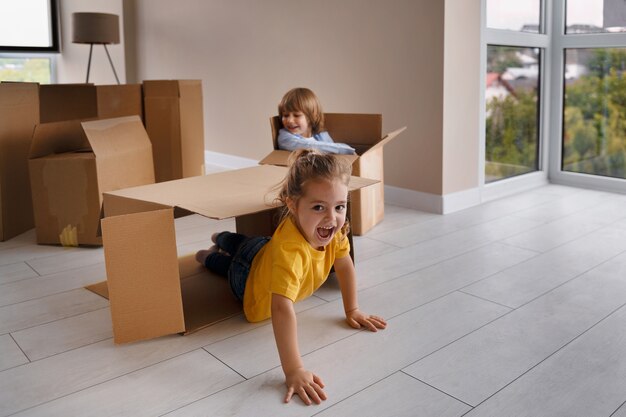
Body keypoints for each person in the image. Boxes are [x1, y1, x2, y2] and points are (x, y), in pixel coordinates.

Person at [196, 149, 386, 406]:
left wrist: (352, 309)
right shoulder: (290, 253)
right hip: (247, 276)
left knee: (248, 244)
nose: (332, 218)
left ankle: (221, 237)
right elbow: (281, 306)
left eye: (340, 206)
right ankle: (207, 254)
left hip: (264, 250)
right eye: (319, 207)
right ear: (292, 204)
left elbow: (344, 265)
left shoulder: (334, 230)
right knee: (230, 263)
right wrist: (294, 370)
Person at [277, 87, 357, 155]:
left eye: (296, 115)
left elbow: (331, 152)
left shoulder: (320, 135)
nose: (290, 120)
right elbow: (309, 146)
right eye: (285, 115)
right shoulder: (285, 138)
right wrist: (346, 149)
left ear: (311, 116)